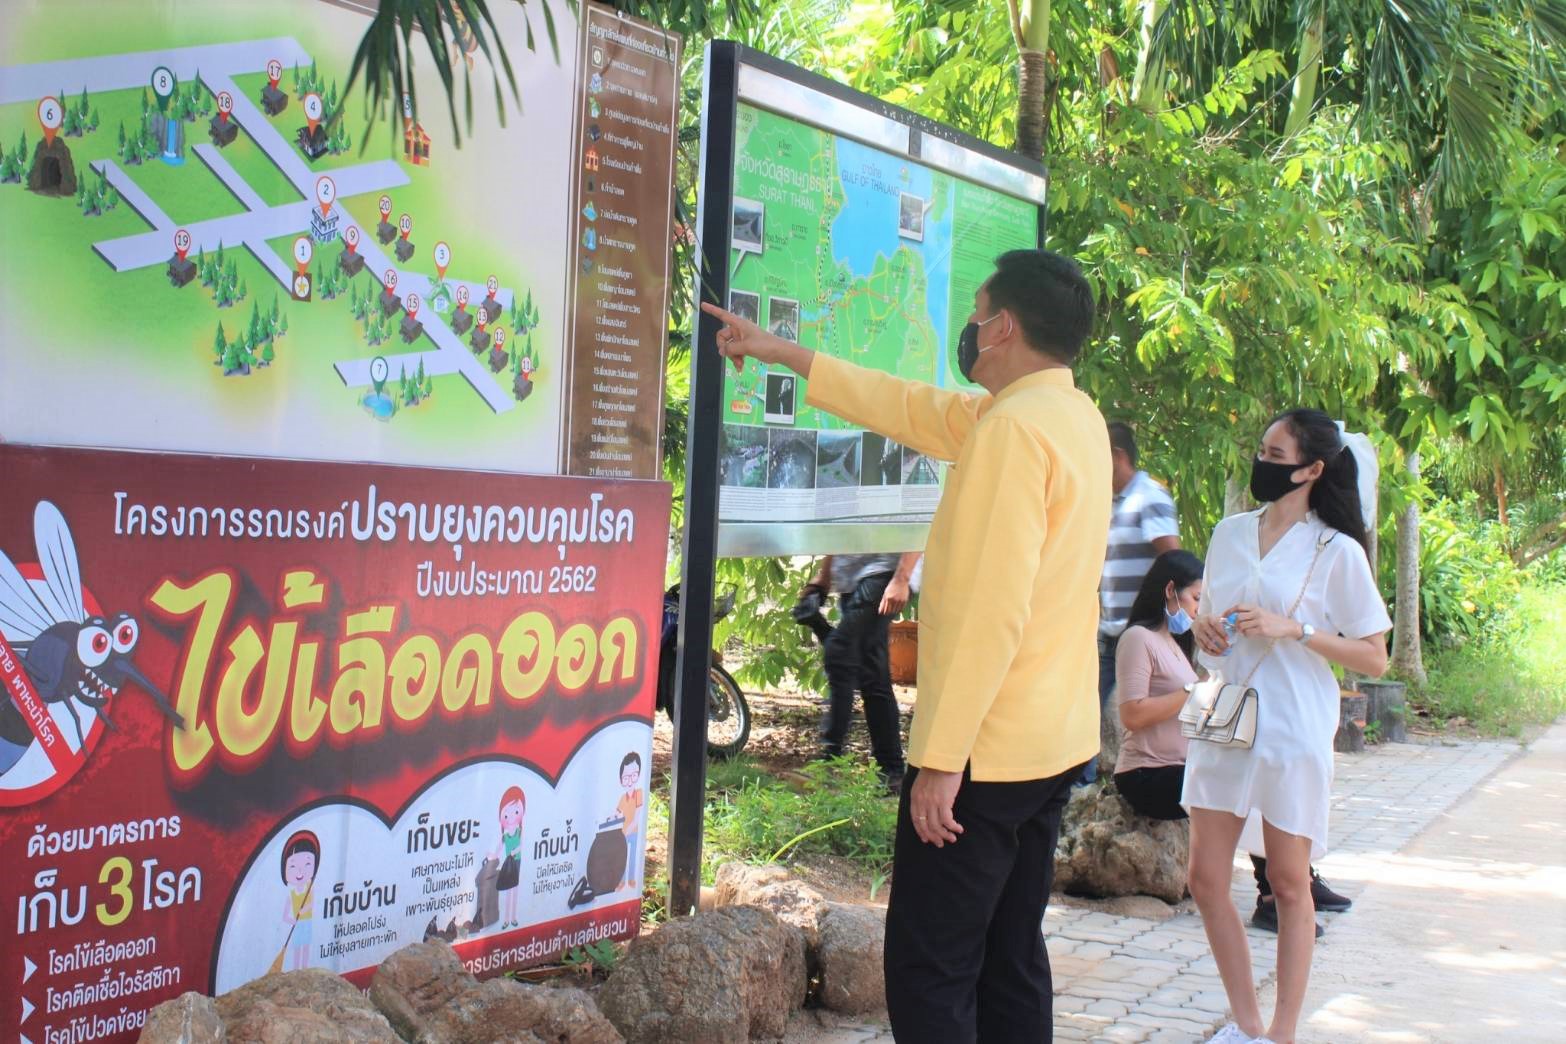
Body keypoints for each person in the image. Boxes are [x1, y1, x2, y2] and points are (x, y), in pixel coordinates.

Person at [703, 248, 1106, 1043]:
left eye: (978, 311)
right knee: (1009, 958)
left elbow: (994, 612)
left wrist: (941, 761)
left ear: (1004, 327)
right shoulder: (1066, 415)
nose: (969, 325)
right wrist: (781, 350)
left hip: (984, 759)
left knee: (929, 971)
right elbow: (905, 404)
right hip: (1048, 744)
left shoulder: (1013, 432)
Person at [1184, 409, 1391, 1044]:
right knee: (1205, 878)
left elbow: (1375, 655)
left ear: (1311, 469)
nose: (1262, 463)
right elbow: (1209, 628)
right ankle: (1246, 1026)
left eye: (1276, 454)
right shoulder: (1228, 532)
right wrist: (1205, 633)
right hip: (1223, 708)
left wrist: (1294, 628)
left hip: (1293, 725)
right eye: (1262, 450)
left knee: (1288, 882)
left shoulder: (1338, 551)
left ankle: (1282, 1034)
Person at [1113, 551, 1351, 937]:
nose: (1197, 609)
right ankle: (1274, 898)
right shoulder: (1138, 640)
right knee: (1249, 798)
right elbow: (1132, 714)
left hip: (1183, 763)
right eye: (1193, 598)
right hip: (1147, 772)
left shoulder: (1176, 643)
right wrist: (1195, 691)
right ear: (1169, 591)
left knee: (1262, 783)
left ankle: (1299, 881)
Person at [1081, 421, 1181, 785]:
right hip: (1109, 634)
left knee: (1138, 720)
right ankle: (1082, 789)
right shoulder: (1109, 502)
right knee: (1084, 716)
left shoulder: (1149, 497)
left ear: (1116, 456)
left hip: (1140, 637)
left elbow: (1174, 562)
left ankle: (1146, 786)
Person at [794, 552, 921, 789]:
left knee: (840, 653)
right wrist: (824, 575)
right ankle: (891, 772)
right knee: (872, 676)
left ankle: (828, 762)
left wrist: (902, 577)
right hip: (852, 577)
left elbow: (914, 519)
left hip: (886, 572)